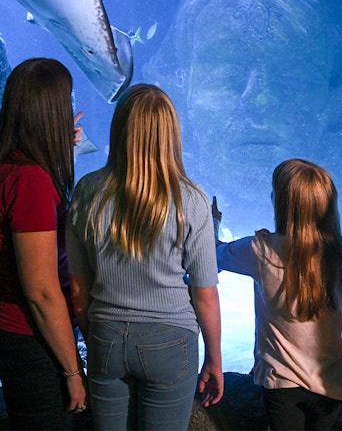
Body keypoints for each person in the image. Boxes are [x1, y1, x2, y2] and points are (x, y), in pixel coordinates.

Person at [66, 84, 224, 430]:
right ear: (171, 133)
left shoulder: (87, 191)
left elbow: (78, 288)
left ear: (119, 129)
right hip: (170, 341)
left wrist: (98, 335)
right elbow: (205, 294)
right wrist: (214, 358)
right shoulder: (191, 200)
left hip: (105, 336)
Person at [0, 58, 87, 429]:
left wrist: (63, 151)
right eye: (65, 102)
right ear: (50, 112)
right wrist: (71, 371)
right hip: (26, 333)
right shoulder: (29, 180)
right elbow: (41, 291)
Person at [214, 159, 342, 430]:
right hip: (333, 382)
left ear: (281, 203)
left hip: (281, 381)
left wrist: (212, 221)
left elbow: (214, 253)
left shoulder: (260, 250)